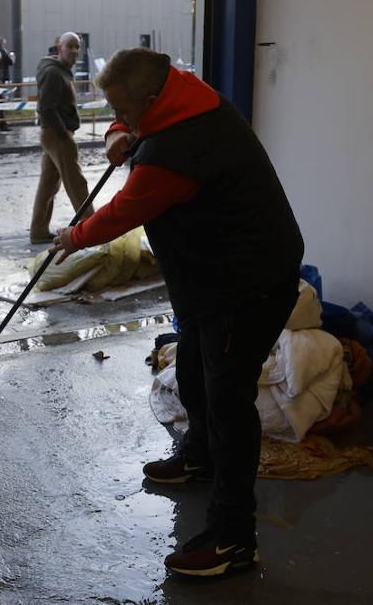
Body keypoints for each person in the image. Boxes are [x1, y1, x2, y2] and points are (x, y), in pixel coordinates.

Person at [50, 47, 304, 578]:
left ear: (152, 98)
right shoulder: (183, 96)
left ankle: (234, 538)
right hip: (207, 280)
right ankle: (199, 456)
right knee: (192, 363)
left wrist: (72, 236)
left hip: (243, 287)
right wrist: (120, 132)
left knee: (229, 401)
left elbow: (124, 211)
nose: (122, 116)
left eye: (126, 109)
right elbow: (134, 122)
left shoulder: (181, 148)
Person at [29, 32, 91, 244]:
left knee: (48, 185)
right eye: (70, 46)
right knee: (76, 181)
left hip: (54, 132)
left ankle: (38, 231)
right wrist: (63, 132)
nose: (74, 51)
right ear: (59, 48)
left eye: (77, 47)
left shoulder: (59, 71)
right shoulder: (54, 73)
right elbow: (46, 107)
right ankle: (91, 226)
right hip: (57, 134)